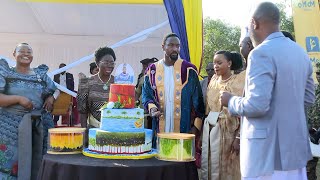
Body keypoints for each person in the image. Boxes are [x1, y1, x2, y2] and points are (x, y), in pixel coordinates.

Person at [220, 2, 315, 179]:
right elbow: (308, 98)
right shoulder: (301, 52)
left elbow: (257, 105)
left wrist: (230, 101)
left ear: (254, 23)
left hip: (266, 155)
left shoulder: (260, 53)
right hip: (294, 150)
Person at [0, 43, 57, 179]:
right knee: (11, 163)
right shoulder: (6, 72)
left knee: (36, 162)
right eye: (22, 51)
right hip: (11, 128)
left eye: (29, 52)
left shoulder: (40, 74)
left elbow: (56, 90)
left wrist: (51, 97)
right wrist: (18, 99)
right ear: (14, 54)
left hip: (37, 127)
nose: (26, 54)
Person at [142, 33, 205, 139]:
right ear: (163, 46)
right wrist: (152, 109)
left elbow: (198, 101)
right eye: (171, 45)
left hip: (184, 128)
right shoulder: (152, 70)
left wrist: (196, 127)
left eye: (177, 46)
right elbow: (146, 95)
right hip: (159, 126)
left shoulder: (189, 70)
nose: (175, 49)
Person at [201, 51, 244, 180]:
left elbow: (243, 112)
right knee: (209, 163)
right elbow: (207, 108)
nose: (216, 66)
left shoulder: (238, 81)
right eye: (214, 63)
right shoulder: (213, 79)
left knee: (227, 167)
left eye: (219, 63)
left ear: (229, 63)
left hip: (229, 133)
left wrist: (238, 137)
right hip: (211, 128)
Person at [77, 46, 115, 132]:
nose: (109, 66)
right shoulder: (86, 82)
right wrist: (84, 133)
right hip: (94, 129)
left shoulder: (118, 83)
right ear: (97, 63)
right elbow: (83, 112)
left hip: (115, 129)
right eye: (106, 62)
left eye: (112, 63)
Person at [135, 57, 158, 129]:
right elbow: (137, 93)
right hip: (145, 113)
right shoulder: (143, 78)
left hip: (157, 113)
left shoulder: (162, 78)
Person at [306, 61, 320, 180]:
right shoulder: (313, 89)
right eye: (317, 73)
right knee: (309, 166)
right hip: (312, 134)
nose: (318, 76)